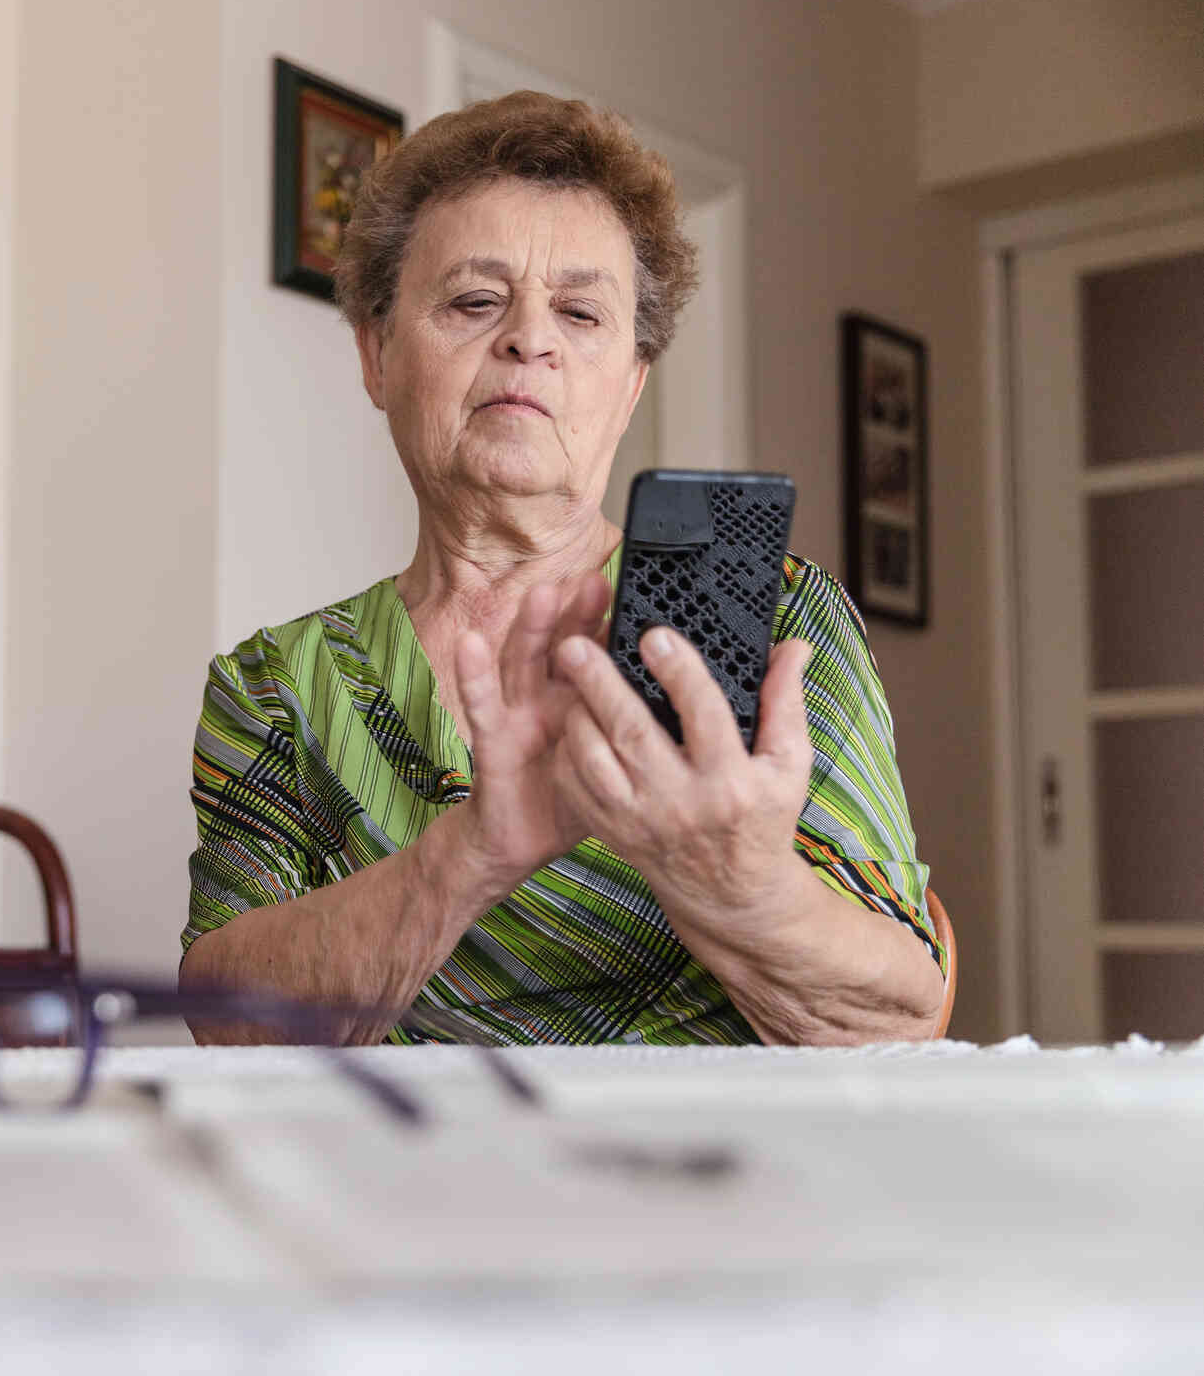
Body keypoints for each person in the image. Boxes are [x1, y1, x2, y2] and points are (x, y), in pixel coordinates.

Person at [179, 91, 946, 1047]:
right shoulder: (273, 683)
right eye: (473, 300)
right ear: (375, 355)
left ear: (628, 386)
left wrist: (740, 890)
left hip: (722, 1181)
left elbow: (900, 1017)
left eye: (580, 312)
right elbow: (222, 1022)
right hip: (406, 1186)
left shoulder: (776, 616)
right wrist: (470, 852)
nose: (528, 339)